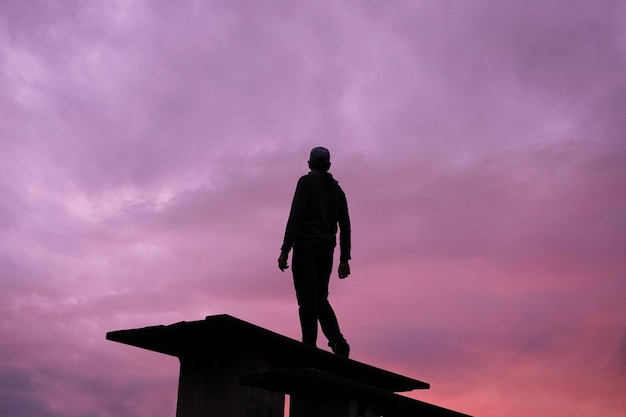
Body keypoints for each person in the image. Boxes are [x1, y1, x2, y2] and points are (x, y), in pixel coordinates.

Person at [278, 146, 352, 357]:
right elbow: (346, 225)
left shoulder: (306, 183)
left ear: (310, 164)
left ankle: (309, 345)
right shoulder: (338, 192)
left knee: (306, 300)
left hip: (305, 249)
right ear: (328, 166)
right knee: (320, 299)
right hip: (326, 252)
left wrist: (285, 250)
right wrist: (344, 258)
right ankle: (337, 341)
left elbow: (296, 217)